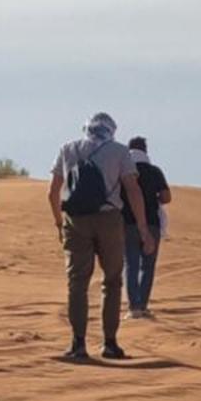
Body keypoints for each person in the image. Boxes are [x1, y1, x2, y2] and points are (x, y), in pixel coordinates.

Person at [48, 114, 153, 360]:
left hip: (75, 220)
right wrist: (142, 227)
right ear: (111, 130)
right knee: (112, 280)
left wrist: (58, 222)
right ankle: (110, 343)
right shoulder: (118, 151)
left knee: (77, 283)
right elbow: (132, 189)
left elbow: (53, 191)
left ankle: (78, 344)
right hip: (109, 219)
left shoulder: (68, 148)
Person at [124, 136, 171, 318]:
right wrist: (153, 199)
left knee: (131, 265)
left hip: (127, 224)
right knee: (148, 266)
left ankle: (133, 307)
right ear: (145, 150)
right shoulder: (154, 171)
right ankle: (142, 305)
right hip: (151, 224)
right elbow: (166, 197)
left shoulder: (124, 171)